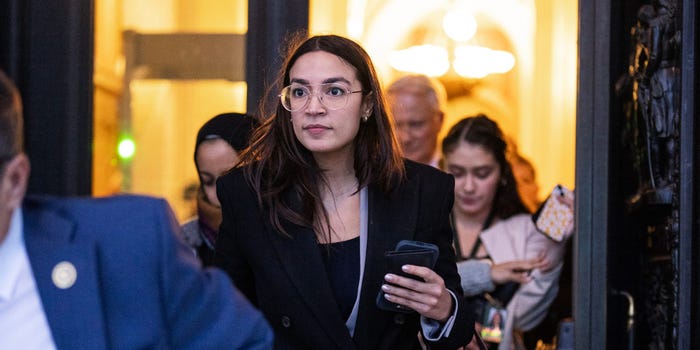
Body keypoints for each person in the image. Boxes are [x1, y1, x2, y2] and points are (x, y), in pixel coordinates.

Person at [214, 34, 475, 349]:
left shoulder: (421, 190)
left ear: (367, 105)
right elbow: (224, 318)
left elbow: (457, 329)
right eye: (299, 92)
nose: (313, 108)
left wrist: (443, 308)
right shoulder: (248, 193)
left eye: (334, 91)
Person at [0, 69, 273, 350]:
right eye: (208, 181)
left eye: (229, 180)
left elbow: (246, 340)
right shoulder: (184, 237)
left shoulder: (130, 246)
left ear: (14, 181)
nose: (220, 195)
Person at [441, 114, 573, 350]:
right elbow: (404, 293)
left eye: (482, 174)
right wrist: (488, 274)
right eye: (457, 172)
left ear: (502, 173)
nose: (468, 186)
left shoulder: (524, 230)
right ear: (441, 168)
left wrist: (554, 245)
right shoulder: (424, 222)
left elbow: (528, 315)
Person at [181, 112, 255, 266]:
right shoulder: (183, 243)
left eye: (228, 180)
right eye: (207, 181)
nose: (217, 193)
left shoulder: (284, 233)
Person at [386, 74, 446, 167]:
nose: (405, 138)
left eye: (415, 125)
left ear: (440, 121)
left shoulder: (461, 175)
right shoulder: (368, 176)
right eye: (395, 125)